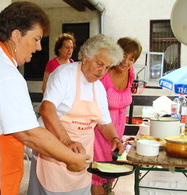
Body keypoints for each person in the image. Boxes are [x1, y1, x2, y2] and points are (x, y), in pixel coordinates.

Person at [0, 2, 90, 195]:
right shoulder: (5, 74)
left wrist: (64, 144)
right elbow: (29, 134)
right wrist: (71, 159)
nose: (39, 47)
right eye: (36, 39)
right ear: (16, 35)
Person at [27, 34, 125, 195]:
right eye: (99, 64)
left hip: (82, 158)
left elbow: (104, 123)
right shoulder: (64, 74)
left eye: (107, 67)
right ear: (85, 57)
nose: (102, 71)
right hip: (54, 152)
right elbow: (46, 108)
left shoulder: (98, 88)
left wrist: (115, 139)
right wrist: (66, 141)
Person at [91, 37, 142, 195]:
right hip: (100, 130)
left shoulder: (130, 73)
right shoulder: (104, 75)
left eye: (131, 59)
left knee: (111, 169)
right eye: (123, 56)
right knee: (98, 172)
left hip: (118, 130)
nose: (126, 62)